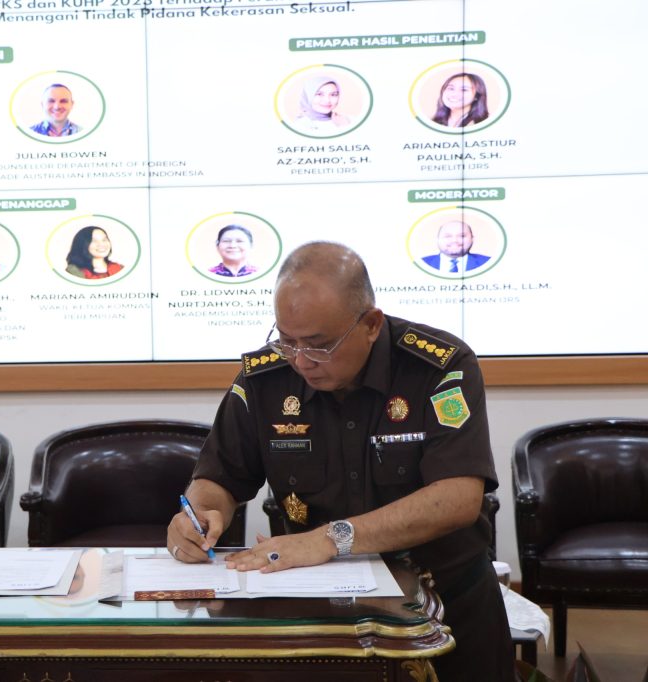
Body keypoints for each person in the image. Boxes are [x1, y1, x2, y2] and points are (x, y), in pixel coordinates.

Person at [167, 241, 516, 681]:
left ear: (371, 324)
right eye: (287, 340)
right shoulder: (266, 379)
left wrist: (332, 538)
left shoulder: (439, 367)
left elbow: (458, 497)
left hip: (444, 603)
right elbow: (220, 476)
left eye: (319, 345)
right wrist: (201, 515)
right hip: (317, 611)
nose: (300, 361)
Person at [421, 220, 490, 273]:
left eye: (462, 236)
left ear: (472, 239)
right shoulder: (422, 263)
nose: (454, 240)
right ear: (437, 239)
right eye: (448, 236)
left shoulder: (487, 262)